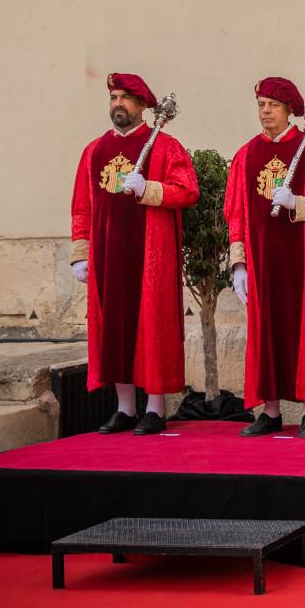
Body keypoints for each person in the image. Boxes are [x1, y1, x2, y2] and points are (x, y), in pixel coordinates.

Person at [70, 73, 199, 436]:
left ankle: (155, 408)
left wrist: (150, 189)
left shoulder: (163, 146)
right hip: (107, 256)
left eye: (126, 98)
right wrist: (80, 253)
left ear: (142, 105)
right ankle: (125, 408)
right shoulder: (94, 151)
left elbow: (187, 191)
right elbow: (82, 206)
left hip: (149, 256)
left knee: (151, 328)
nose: (118, 104)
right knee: (115, 330)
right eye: (114, 97)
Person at [225, 78, 305, 438]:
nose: (265, 112)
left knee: (304, 329)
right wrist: (239, 264)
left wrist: (299, 203)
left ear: (289, 109)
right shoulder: (246, 154)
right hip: (262, 262)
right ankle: (271, 410)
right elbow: (235, 213)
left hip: (302, 261)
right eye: (261, 104)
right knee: (266, 333)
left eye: (272, 105)